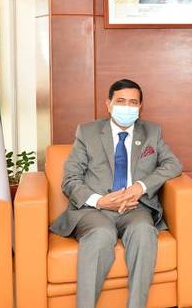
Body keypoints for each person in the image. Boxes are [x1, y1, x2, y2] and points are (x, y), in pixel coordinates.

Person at [49, 79, 183, 308]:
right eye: (120, 101)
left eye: (133, 102)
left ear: (140, 107)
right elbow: (70, 180)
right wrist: (100, 201)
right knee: (101, 234)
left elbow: (173, 164)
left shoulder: (151, 132)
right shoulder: (87, 132)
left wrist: (140, 186)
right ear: (108, 104)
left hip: (135, 207)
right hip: (94, 209)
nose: (127, 107)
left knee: (144, 231)